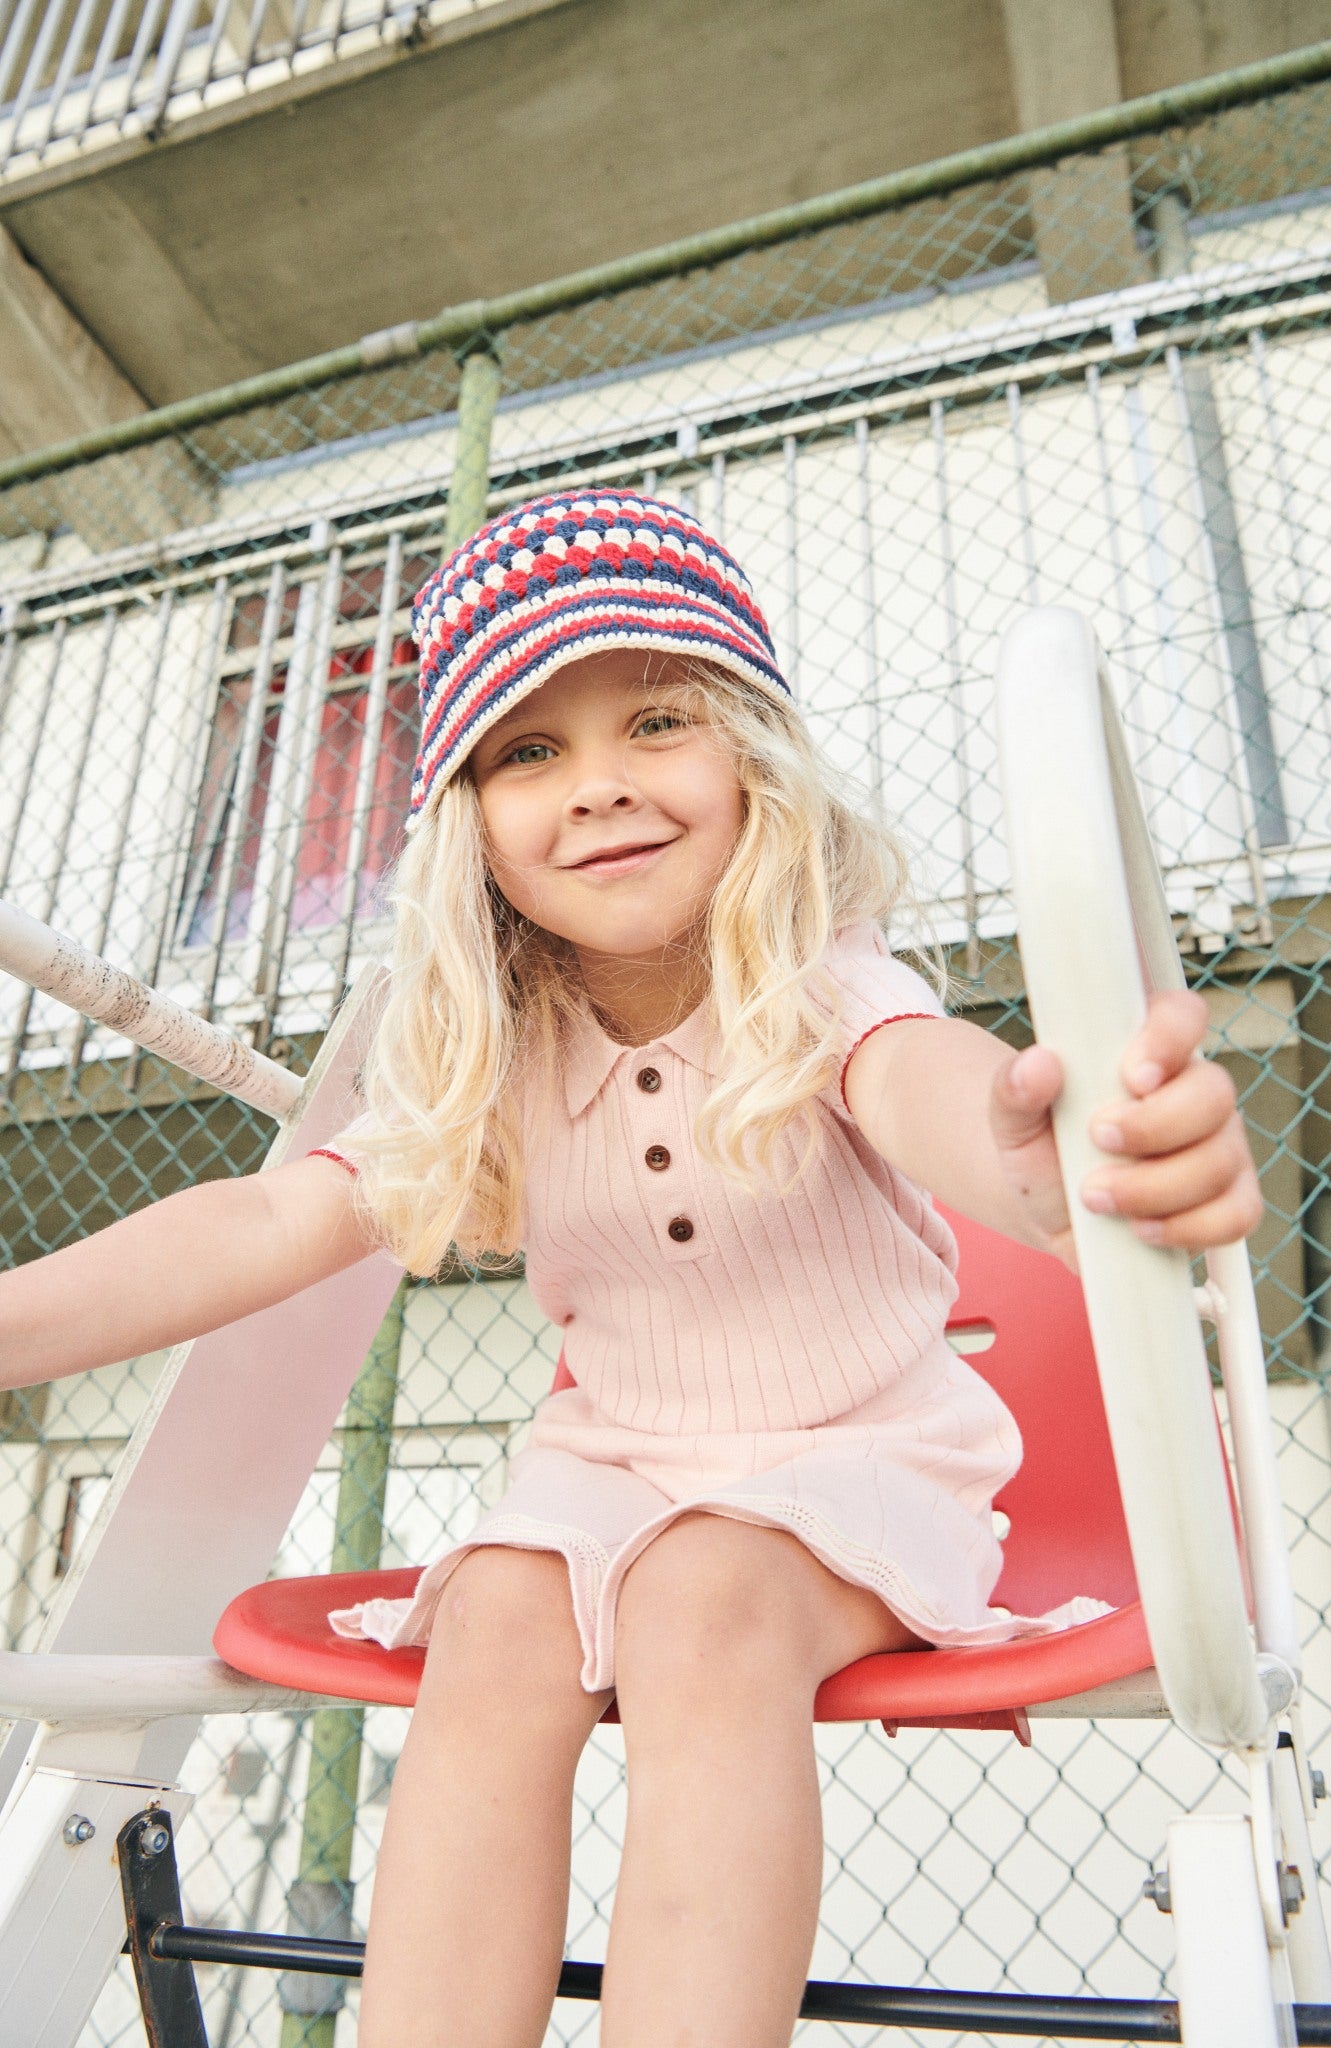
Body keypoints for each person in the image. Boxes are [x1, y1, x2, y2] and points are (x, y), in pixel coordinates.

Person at [0, 489, 1261, 2048]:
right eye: (529, 751)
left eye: (653, 720)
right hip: (610, 1463)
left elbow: (938, 1092)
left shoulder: (812, 985)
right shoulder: (495, 1049)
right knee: (500, 1615)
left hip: (856, 1454)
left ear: (754, 760)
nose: (595, 788)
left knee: (702, 1594)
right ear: (471, 824)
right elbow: (269, 1221)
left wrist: (1059, 1168)